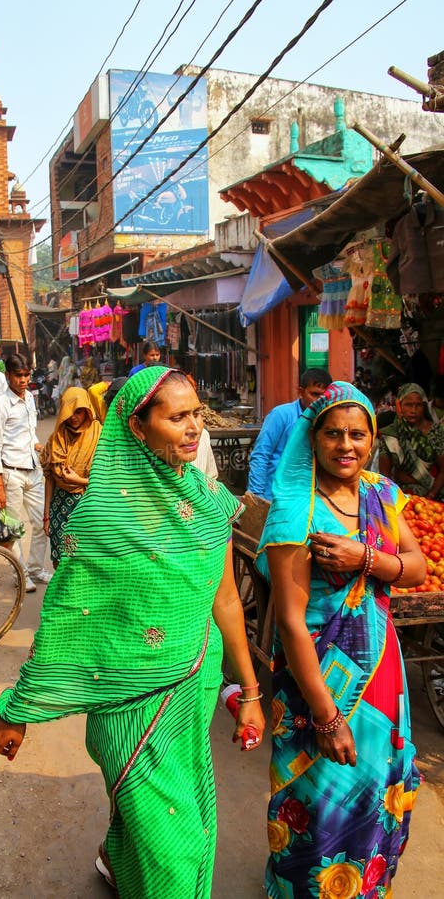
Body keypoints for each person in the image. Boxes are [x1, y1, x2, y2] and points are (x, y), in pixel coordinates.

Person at [0, 367, 265, 898]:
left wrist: (249, 692)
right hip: (126, 702)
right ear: (137, 426)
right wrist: (17, 712)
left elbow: (226, 599)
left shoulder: (207, 503)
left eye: (197, 415)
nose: (193, 429)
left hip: (192, 685)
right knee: (173, 843)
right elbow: (68, 619)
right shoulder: (100, 517)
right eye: (177, 417)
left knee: (160, 806)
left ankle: (117, 857)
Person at [256, 381, 425, 897]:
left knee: (376, 785)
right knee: (321, 795)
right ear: (313, 437)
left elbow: (416, 568)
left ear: (372, 438)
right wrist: (326, 715)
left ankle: (365, 883)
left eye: (357, 434)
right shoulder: (296, 510)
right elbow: (289, 620)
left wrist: (365, 560)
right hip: (320, 682)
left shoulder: (382, 495)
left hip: (382, 675)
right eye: (333, 433)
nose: (346, 445)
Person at [0, 354, 51, 592]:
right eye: (19, 375)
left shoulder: (30, 399)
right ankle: (21, 572)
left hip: (33, 470)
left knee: (42, 521)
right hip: (10, 473)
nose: (23, 380)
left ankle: (35, 568)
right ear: (8, 376)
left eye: (26, 375)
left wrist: (39, 446)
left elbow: (30, 433)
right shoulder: (0, 406)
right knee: (12, 527)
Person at [247, 368, 332, 501]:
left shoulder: (327, 421)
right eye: (314, 394)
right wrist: (256, 496)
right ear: (300, 392)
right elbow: (261, 455)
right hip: (274, 496)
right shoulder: (281, 415)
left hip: (307, 498)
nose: (319, 401)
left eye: (324, 397)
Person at [41, 387, 102, 568]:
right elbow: (50, 478)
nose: (74, 417)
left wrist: (79, 481)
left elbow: (106, 480)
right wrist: (47, 516)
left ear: (87, 412)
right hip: (59, 507)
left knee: (84, 561)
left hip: (88, 506)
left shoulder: (99, 435)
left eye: (79, 412)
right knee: (60, 560)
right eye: (70, 412)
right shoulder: (56, 439)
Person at [379, 382, 444, 501]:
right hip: (401, 498)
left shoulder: (437, 432)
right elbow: (384, 476)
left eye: (418, 405)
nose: (413, 410)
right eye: (408, 405)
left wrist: (431, 497)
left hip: (434, 497)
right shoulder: (390, 434)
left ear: (424, 406)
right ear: (400, 406)